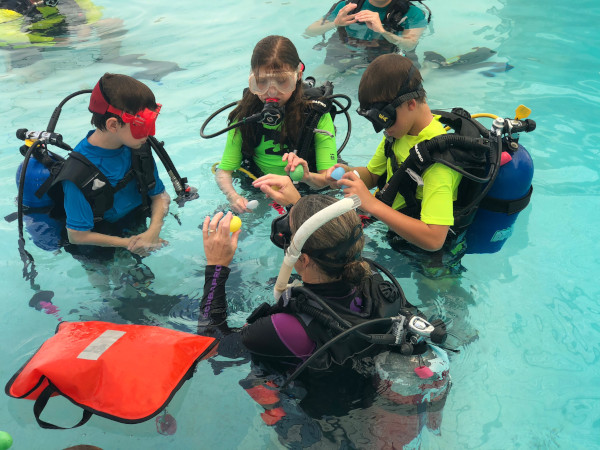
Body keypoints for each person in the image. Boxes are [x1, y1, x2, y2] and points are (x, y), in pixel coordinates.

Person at [198, 193, 450, 447]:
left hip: (322, 429)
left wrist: (216, 267)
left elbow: (211, 344)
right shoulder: (377, 285)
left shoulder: (284, 328)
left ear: (303, 260)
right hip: (366, 406)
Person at [215, 35, 338, 214]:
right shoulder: (244, 115)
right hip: (259, 188)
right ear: (252, 79)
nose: (271, 91)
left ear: (298, 76)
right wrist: (233, 197)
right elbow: (224, 171)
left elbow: (328, 179)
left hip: (305, 191)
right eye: (262, 82)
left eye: (282, 81)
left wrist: (307, 176)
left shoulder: (315, 114)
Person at [59, 72, 170, 263]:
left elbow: (159, 195)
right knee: (107, 289)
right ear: (113, 125)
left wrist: (152, 231)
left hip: (134, 225)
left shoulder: (138, 148)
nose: (151, 133)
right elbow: (77, 236)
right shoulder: (78, 174)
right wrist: (128, 244)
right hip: (98, 242)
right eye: (142, 126)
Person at [305, 0, 428, 73]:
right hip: (348, 53)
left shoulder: (412, 13)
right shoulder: (348, 6)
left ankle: (431, 65)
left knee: (413, 84)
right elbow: (310, 32)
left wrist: (382, 31)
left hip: (387, 59)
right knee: (317, 79)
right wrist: (335, 23)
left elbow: (409, 44)